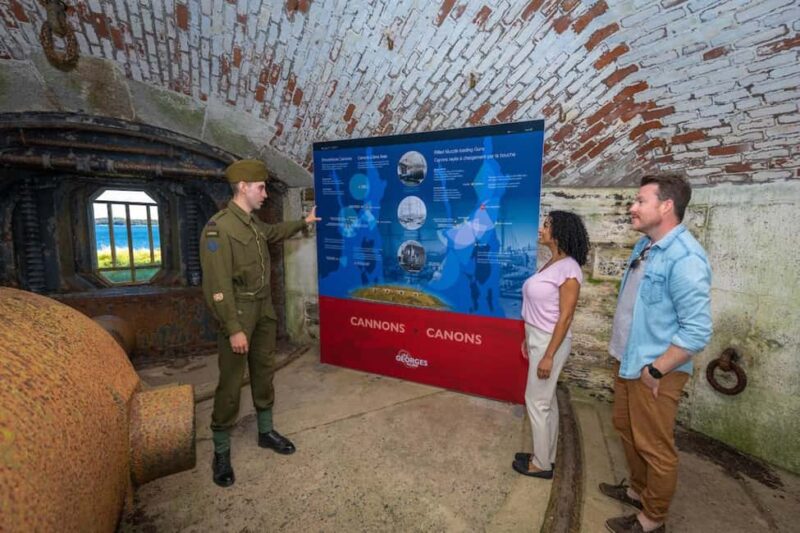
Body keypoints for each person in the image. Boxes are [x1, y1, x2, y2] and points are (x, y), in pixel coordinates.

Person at [200, 159, 320, 488]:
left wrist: (304, 221)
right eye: (261, 187)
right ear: (242, 187)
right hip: (238, 314)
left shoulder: (252, 224)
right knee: (231, 381)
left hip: (263, 308)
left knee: (264, 370)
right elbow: (217, 286)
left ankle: (265, 432)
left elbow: (273, 232)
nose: (265, 193)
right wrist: (233, 327)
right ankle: (221, 450)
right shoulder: (218, 228)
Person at [601, 175, 712, 532]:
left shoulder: (686, 257)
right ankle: (637, 492)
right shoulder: (646, 246)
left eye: (640, 201)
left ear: (666, 206)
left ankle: (652, 519)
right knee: (626, 428)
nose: (632, 207)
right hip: (627, 360)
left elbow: (696, 331)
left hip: (654, 372)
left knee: (655, 447)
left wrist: (658, 370)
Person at [513, 210, 589, 479]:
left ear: (559, 233)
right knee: (547, 401)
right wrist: (527, 336)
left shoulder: (569, 269)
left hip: (550, 343)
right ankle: (546, 455)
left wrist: (548, 355)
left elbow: (565, 317)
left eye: (546, 225)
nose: (540, 229)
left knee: (536, 401)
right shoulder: (551, 263)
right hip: (538, 337)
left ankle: (541, 465)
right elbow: (542, 307)